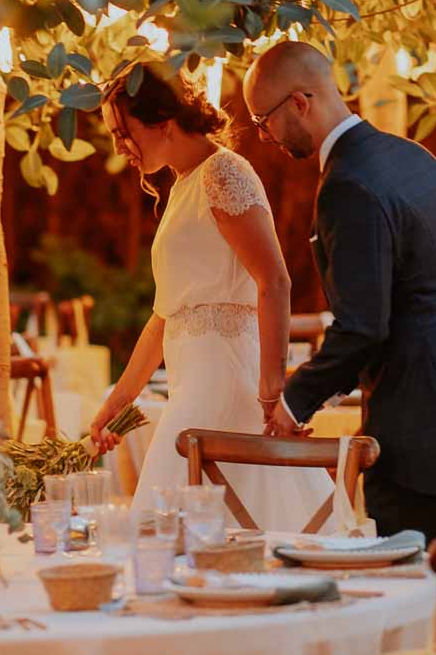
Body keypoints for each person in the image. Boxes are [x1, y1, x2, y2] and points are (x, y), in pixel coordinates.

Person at [243, 39, 436, 655]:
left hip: (425, 409)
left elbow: (364, 328)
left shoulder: (348, 185)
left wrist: (296, 400)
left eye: (264, 119)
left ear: (300, 101)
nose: (265, 136)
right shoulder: (409, 155)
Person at [88, 61, 331, 529]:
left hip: (226, 386)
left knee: (199, 533)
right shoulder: (184, 184)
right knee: (181, 537)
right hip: (192, 387)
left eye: (123, 131)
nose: (120, 146)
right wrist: (115, 403)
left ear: (162, 119)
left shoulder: (225, 174)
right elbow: (166, 317)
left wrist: (272, 389)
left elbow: (275, 282)